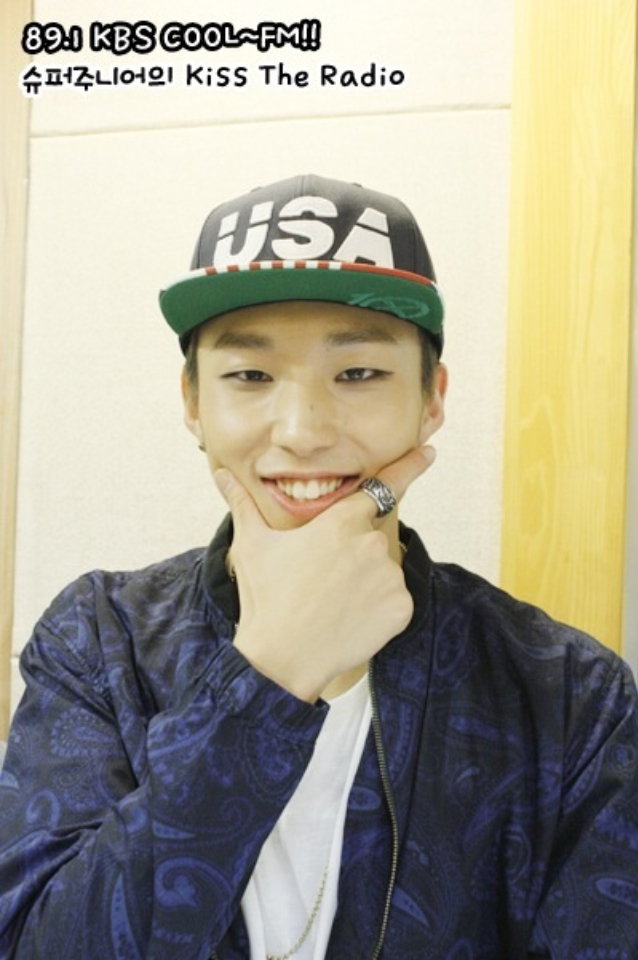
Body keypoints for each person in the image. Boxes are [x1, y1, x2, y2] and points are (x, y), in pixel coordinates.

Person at [0, 174, 637, 960]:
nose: (301, 431)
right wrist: (273, 673)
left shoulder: (569, 694)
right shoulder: (100, 643)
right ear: (193, 403)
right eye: (251, 376)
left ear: (432, 399)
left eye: (358, 373)